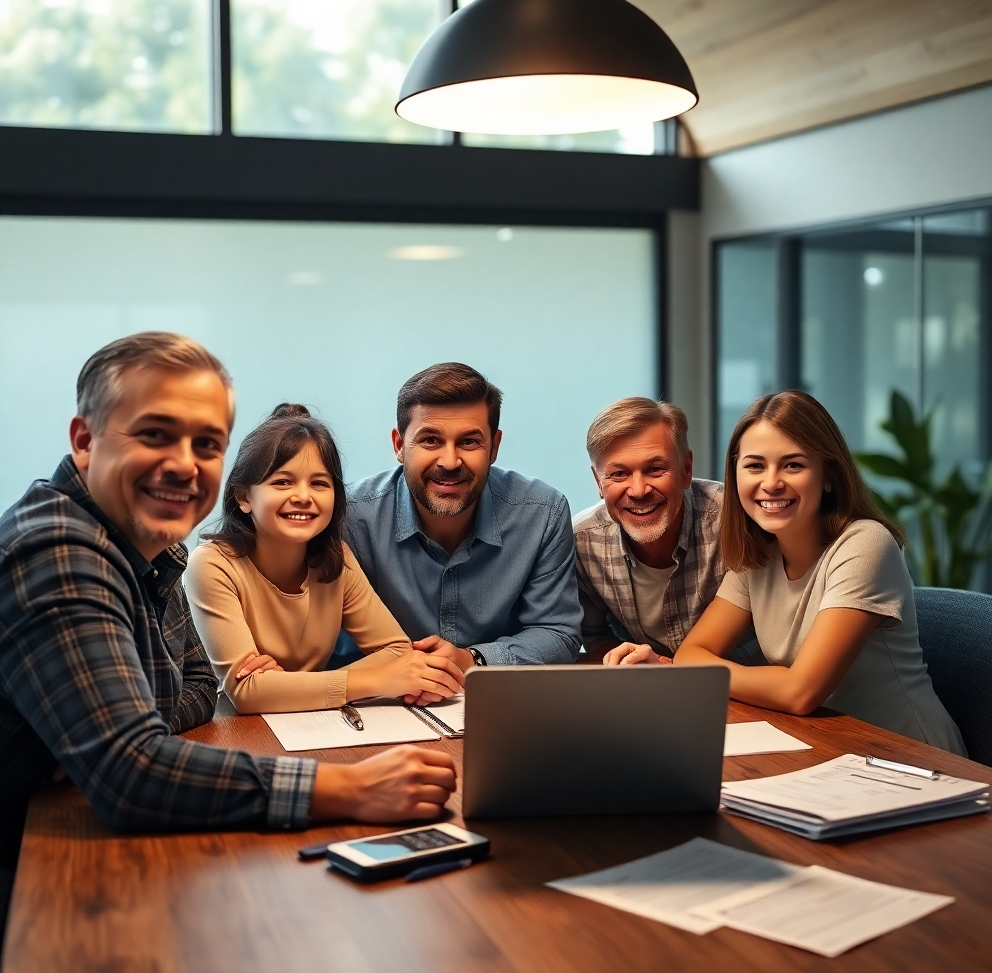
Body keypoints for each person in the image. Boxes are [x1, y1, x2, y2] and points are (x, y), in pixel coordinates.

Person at [0, 333, 456, 938]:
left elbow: (191, 686)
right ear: (85, 441)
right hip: (29, 874)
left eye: (206, 443)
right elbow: (132, 772)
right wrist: (351, 785)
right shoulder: (59, 548)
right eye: (154, 434)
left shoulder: (151, 548)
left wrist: (127, 728)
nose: (185, 463)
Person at [605, 389, 965, 754]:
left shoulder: (865, 544)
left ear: (827, 475)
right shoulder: (759, 554)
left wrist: (705, 674)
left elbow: (800, 692)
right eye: (755, 465)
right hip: (822, 748)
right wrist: (695, 668)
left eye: (793, 465)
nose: (771, 482)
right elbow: (691, 653)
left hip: (910, 758)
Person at [183, 404, 464, 714]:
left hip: (314, 725)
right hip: (234, 734)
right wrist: (380, 681)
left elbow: (396, 650)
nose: (304, 496)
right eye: (282, 482)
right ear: (244, 497)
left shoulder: (335, 558)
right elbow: (247, 694)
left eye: (319, 483)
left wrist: (284, 687)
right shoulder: (210, 565)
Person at [345, 362, 582, 670]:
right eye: (430, 440)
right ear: (400, 445)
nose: (450, 461)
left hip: (495, 700)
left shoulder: (542, 513)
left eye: (469, 441)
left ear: (494, 447)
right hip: (377, 703)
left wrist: (473, 659)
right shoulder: (350, 516)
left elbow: (558, 632)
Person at [574, 397, 761, 663]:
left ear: (686, 469)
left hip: (746, 692)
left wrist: (665, 670)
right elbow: (595, 636)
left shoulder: (737, 519)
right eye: (619, 474)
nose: (638, 490)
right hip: (648, 692)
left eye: (655, 469)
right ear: (598, 481)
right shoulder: (582, 543)